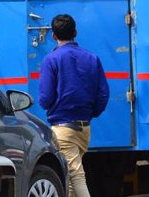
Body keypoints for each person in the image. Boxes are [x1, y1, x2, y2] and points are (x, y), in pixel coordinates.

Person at [38, 14, 109, 197]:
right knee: (68, 179)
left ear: (53, 36)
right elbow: (103, 94)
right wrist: (91, 113)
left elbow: (45, 99)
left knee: (76, 177)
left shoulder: (51, 60)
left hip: (63, 129)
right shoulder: (92, 58)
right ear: (75, 32)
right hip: (84, 129)